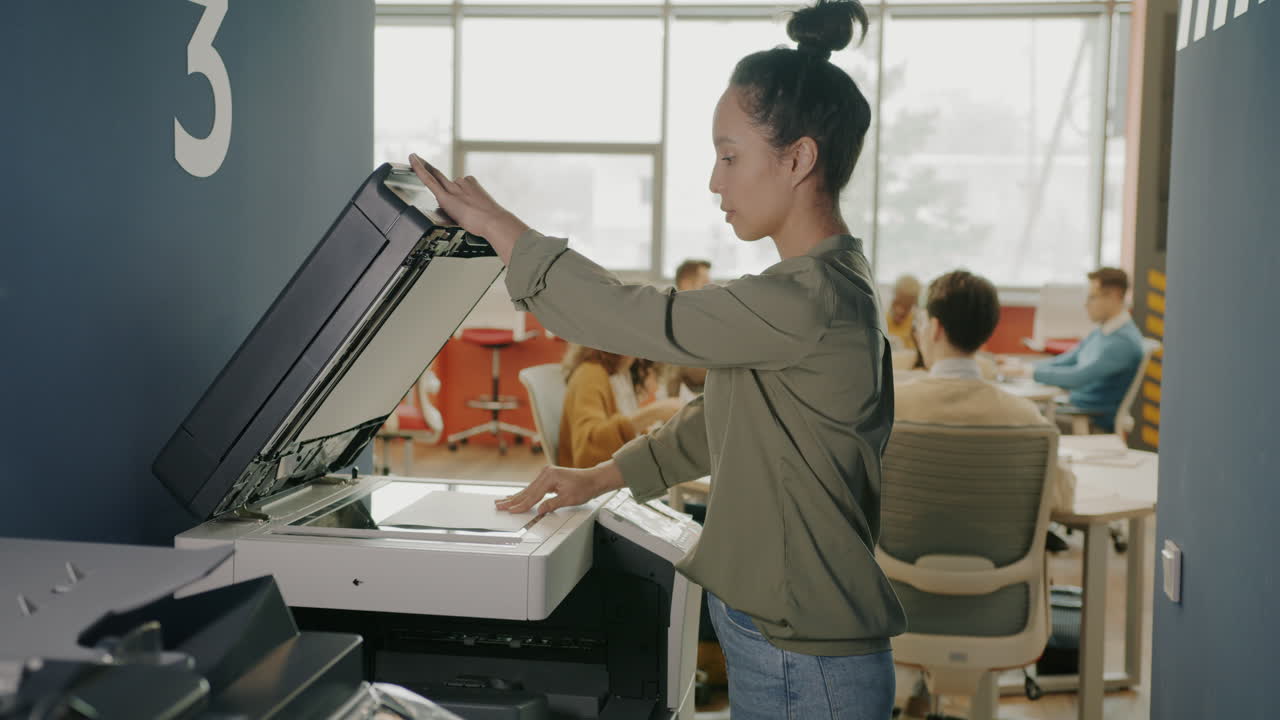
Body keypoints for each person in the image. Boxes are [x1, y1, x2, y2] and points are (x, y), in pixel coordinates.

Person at [408, 0, 904, 715]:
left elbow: (638, 317)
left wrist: (500, 227)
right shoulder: (806, 291)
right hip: (774, 635)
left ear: (797, 159)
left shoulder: (810, 298)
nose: (714, 180)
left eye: (730, 156)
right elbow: (717, 424)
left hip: (808, 658)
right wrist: (600, 476)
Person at [897, 270, 1075, 512]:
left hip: (905, 547)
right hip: (996, 549)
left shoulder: (892, 407)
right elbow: (1061, 499)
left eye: (921, 323)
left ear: (935, 328)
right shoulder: (1025, 418)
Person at [1003, 267, 1144, 432]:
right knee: (1018, 410)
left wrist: (1026, 372)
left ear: (1114, 295)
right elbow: (1069, 359)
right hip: (1073, 408)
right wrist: (1023, 366)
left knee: (1014, 415)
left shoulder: (1122, 342)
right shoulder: (1104, 330)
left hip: (1087, 420)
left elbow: (1078, 377)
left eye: (1092, 297)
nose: (1086, 304)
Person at [558, 345, 683, 469]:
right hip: (597, 483)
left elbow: (629, 439)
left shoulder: (624, 373)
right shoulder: (589, 373)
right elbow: (587, 454)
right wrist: (652, 413)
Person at [663, 259, 714, 396]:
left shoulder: (703, 320)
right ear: (686, 284)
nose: (711, 289)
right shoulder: (671, 321)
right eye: (705, 284)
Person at [885, 274, 921, 351]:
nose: (900, 310)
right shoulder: (879, 320)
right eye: (897, 303)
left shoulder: (917, 327)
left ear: (914, 304)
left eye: (907, 306)